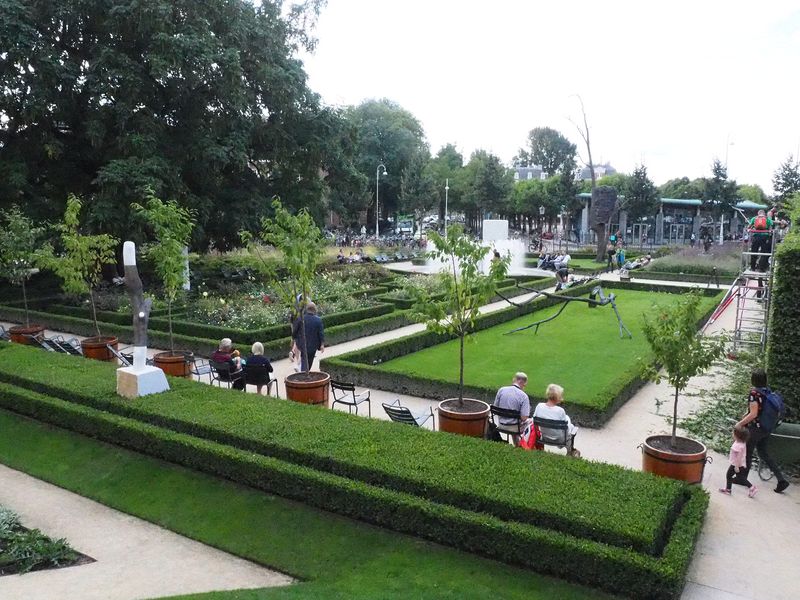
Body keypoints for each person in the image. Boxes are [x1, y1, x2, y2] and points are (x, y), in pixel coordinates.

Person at [735, 368, 790, 494]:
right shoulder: (767, 391)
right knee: (763, 453)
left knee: (747, 453)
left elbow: (753, 414)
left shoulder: (754, 393)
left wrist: (739, 423)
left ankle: (742, 478)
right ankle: (781, 480)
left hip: (755, 429)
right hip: (766, 429)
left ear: (753, 379)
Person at [533, 384, 579, 456]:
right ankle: (570, 452)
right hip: (560, 440)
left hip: (544, 437)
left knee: (568, 422)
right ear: (557, 397)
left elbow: (534, 422)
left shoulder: (539, 406)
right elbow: (566, 431)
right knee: (571, 427)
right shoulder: (560, 411)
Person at [492, 372, 531, 446]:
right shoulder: (524, 396)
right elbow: (524, 418)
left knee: (516, 421)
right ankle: (523, 446)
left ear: (514, 379)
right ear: (523, 383)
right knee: (531, 422)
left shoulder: (501, 390)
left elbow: (495, 408)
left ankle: (517, 444)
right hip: (514, 428)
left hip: (501, 425)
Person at [719, 426, 756, 497]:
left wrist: (736, 466)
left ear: (737, 436)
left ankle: (728, 489)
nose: (732, 435)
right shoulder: (742, 443)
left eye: (733, 434)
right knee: (741, 477)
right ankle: (752, 488)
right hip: (741, 464)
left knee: (729, 475)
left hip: (736, 465)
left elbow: (738, 457)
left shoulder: (738, 446)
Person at [291, 301, 325, 372]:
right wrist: (322, 344)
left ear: (307, 309)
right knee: (309, 361)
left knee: (304, 359)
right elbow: (321, 333)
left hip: (302, 344)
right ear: (314, 310)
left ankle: (303, 371)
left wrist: (293, 339)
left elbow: (295, 331)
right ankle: (304, 373)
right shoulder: (318, 320)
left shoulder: (301, 319)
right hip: (313, 345)